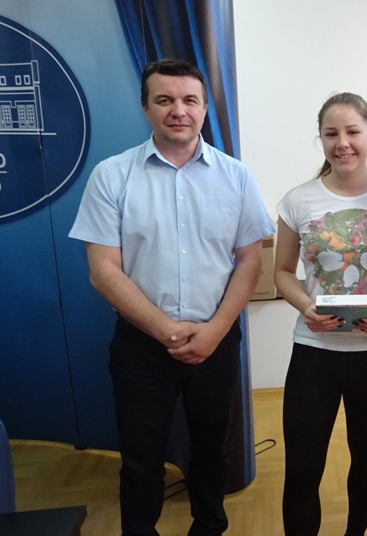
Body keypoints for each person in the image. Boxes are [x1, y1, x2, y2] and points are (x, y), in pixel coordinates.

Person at [69, 58, 275, 536]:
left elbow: (250, 261)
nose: (178, 110)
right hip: (142, 345)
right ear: (146, 108)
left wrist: (215, 330)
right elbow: (103, 271)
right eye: (164, 100)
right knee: (141, 459)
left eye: (189, 100)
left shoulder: (236, 176)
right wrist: (166, 331)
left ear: (203, 108)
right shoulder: (111, 175)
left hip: (216, 339)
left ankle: (209, 528)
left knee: (213, 450)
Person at [274, 92, 367, 536]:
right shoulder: (299, 200)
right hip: (314, 352)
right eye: (331, 133)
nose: (343, 143)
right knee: (302, 468)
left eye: (353, 131)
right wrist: (306, 306)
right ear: (320, 139)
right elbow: (282, 272)